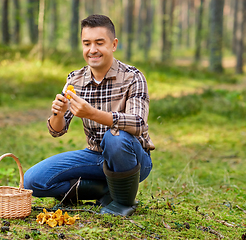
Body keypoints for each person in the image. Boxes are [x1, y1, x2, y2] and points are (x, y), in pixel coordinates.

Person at [24, 14, 155, 216]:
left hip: (133, 158)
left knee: (115, 138)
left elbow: (138, 123)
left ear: (113, 44)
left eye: (99, 43)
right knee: (33, 181)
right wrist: (58, 114)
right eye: (87, 43)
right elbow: (57, 131)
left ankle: (123, 203)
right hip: (95, 155)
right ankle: (104, 190)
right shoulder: (75, 79)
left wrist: (93, 114)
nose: (92, 50)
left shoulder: (133, 77)